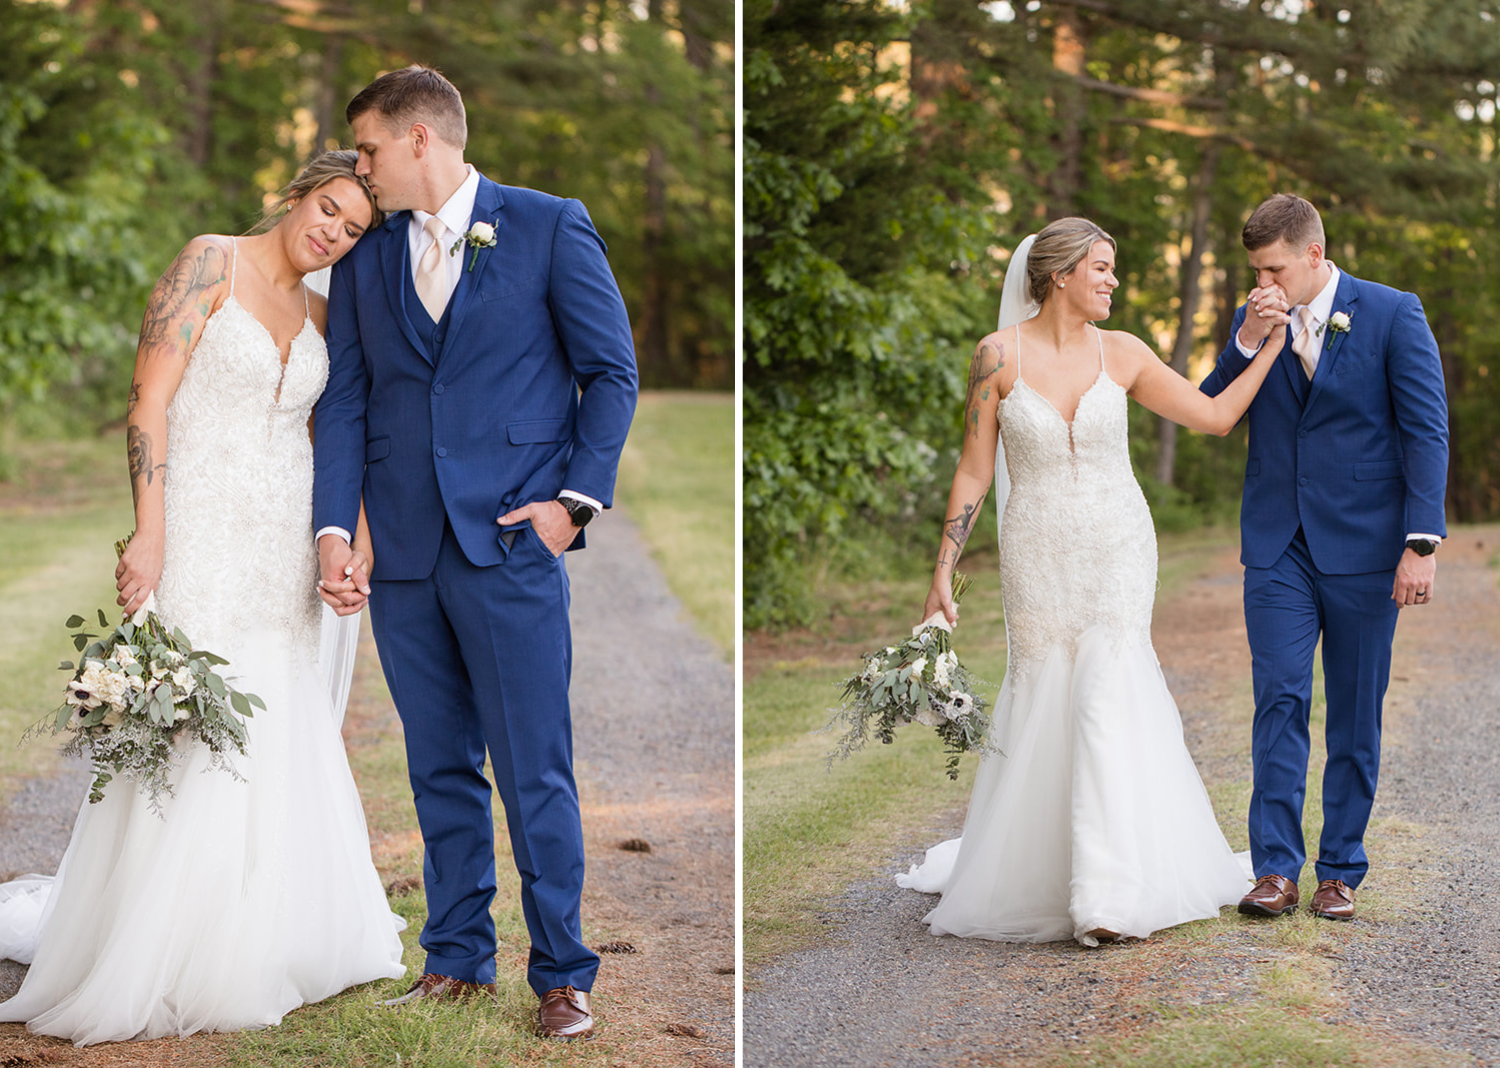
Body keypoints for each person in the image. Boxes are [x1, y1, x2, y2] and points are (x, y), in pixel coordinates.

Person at [0, 151, 406, 1044]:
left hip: (282, 544)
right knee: (190, 723)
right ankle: (157, 942)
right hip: (200, 535)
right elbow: (148, 405)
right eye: (328, 208)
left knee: (274, 722)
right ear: (298, 192)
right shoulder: (206, 261)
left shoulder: (327, 315)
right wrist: (149, 529)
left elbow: (334, 439)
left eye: (352, 228)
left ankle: (270, 934)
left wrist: (351, 542)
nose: (333, 231)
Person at [310, 66, 637, 1039]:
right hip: (406, 550)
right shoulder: (368, 259)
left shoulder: (546, 224)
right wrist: (337, 528)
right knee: (438, 766)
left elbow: (609, 370)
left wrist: (573, 504)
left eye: (367, 150)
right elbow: (348, 399)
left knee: (535, 764)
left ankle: (562, 974)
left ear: (419, 139)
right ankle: (455, 959)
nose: (360, 169)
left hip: (509, 543)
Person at [897, 217, 1288, 946]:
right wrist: (942, 573)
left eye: (1113, 268)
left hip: (1119, 544)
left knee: (1108, 689)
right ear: (1059, 275)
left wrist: (1269, 348)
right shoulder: (996, 357)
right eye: (1102, 268)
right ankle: (1048, 868)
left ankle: (1107, 894)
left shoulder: (1127, 353)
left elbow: (1213, 417)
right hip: (1037, 549)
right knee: (1047, 690)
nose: (1112, 280)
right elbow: (976, 469)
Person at [1200, 194, 1448, 923]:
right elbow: (1214, 404)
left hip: (1368, 548)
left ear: (1313, 254)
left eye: (1274, 268)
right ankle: (1275, 867)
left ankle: (1340, 871)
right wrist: (1248, 336)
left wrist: (1420, 541)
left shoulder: (1392, 312)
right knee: (1279, 697)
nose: (1263, 282)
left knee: (1354, 712)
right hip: (1278, 544)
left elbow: (1426, 431)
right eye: (1255, 270)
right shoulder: (1258, 317)